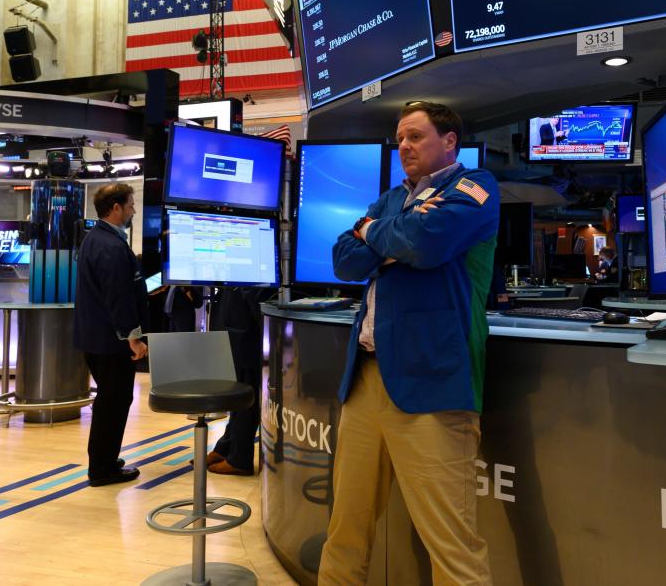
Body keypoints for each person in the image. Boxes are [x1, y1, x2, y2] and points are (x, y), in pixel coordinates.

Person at [319, 102, 500, 585]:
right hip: (365, 382)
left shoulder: (475, 186)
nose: (404, 146)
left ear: (449, 141)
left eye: (416, 136)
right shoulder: (390, 199)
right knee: (345, 531)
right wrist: (393, 240)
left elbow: (427, 242)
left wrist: (376, 235)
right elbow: (344, 260)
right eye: (400, 138)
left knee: (451, 546)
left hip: (433, 383)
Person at [73, 183, 149, 487]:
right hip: (112, 342)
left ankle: (103, 458)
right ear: (116, 207)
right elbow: (118, 297)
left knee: (109, 401)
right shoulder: (112, 246)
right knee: (114, 402)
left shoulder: (97, 240)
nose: (133, 209)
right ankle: (103, 469)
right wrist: (133, 337)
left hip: (96, 339)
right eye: (131, 204)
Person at [205, 286, 274, 475]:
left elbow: (259, 304)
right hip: (236, 335)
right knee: (236, 400)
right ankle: (225, 448)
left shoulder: (255, 273)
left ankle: (239, 459)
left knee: (245, 402)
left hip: (247, 340)